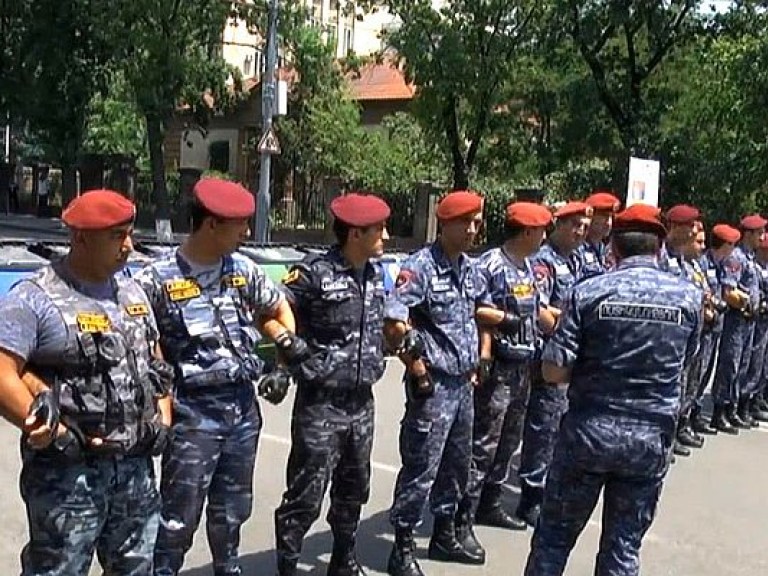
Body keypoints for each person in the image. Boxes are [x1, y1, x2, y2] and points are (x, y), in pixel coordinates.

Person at [523, 203, 702, 576]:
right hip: (649, 440)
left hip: (588, 436)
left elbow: (553, 370)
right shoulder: (689, 298)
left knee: (553, 540)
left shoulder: (588, 293)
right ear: (659, 247)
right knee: (622, 548)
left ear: (613, 247)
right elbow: (685, 362)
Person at [0, 189, 172, 575]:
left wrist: (163, 417)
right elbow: (1, 371)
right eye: (116, 236)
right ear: (80, 238)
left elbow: (155, 361)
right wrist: (52, 431)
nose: (128, 246)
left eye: (129, 234)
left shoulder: (132, 292)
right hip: (69, 477)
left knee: (136, 567)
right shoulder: (35, 298)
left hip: (135, 472)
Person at [133, 178, 299, 576]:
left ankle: (228, 569)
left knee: (232, 512)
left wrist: (282, 364)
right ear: (210, 224)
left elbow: (278, 310)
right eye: (240, 224)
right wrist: (162, 406)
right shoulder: (155, 279)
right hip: (193, 413)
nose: (246, 232)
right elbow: (142, 344)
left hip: (242, 409)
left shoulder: (242, 270)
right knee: (178, 516)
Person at [273, 193, 391, 576]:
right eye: (379, 229)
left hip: (362, 401)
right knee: (306, 493)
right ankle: (288, 564)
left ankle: (344, 557)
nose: (386, 236)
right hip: (321, 402)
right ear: (355, 233)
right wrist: (287, 356)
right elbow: (277, 309)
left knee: (355, 486)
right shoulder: (313, 273)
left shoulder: (374, 274)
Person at [384, 190, 487, 576]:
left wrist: (478, 360)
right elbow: (395, 322)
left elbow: (472, 317)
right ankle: (403, 547)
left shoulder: (469, 268)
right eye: (468, 223)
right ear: (446, 224)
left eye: (478, 222)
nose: (474, 230)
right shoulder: (421, 267)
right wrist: (418, 370)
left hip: (462, 383)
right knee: (421, 466)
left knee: (457, 465)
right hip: (434, 384)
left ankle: (444, 533)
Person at [461, 202, 552, 535]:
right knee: (483, 444)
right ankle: (463, 514)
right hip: (497, 369)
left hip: (523, 368)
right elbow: (474, 307)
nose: (545, 236)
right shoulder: (490, 265)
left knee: (508, 442)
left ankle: (490, 503)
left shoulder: (526, 266)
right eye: (542, 230)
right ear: (527, 231)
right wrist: (497, 328)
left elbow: (537, 311)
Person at [516, 201, 592, 527]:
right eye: (574, 225)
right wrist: (574, 325)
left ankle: (549, 485)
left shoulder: (576, 259)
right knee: (543, 427)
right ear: (558, 224)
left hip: (570, 354)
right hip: (548, 357)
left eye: (584, 227)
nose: (580, 232)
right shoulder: (543, 262)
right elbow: (542, 313)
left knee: (561, 424)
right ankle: (531, 495)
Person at [712, 214, 765, 430]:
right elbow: (728, 291)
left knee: (743, 365)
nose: (762, 237)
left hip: (749, 321)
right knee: (730, 365)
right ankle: (719, 410)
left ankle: (732, 408)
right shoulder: (736, 257)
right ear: (748, 234)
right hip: (736, 320)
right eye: (759, 232)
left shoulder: (750, 258)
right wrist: (744, 303)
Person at [692, 224, 738, 435]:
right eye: (731, 245)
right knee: (696, 373)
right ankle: (688, 418)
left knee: (705, 373)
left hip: (715, 327)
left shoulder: (720, 265)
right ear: (724, 245)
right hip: (704, 327)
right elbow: (701, 291)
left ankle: (696, 413)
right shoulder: (703, 263)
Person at [577, 190, 620, 279]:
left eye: (611, 217)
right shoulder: (577, 250)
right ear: (590, 217)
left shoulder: (605, 250)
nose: (609, 223)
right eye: (604, 217)